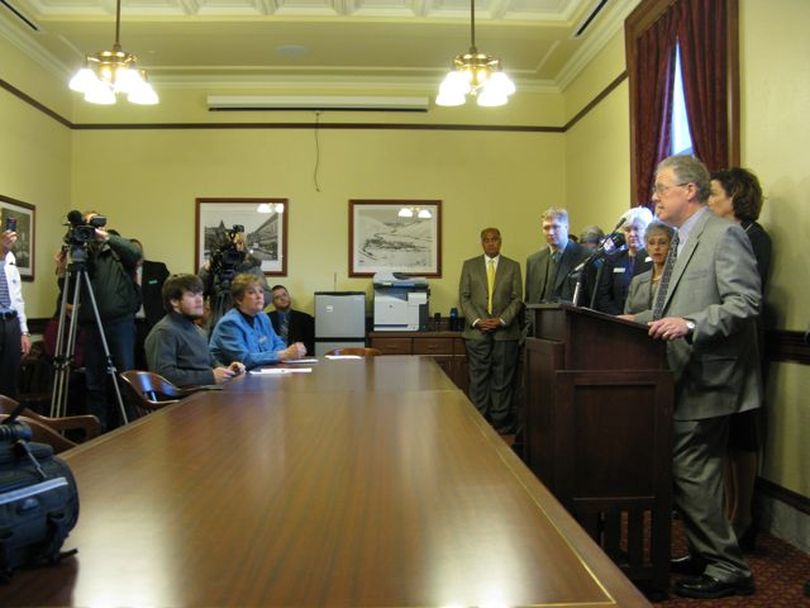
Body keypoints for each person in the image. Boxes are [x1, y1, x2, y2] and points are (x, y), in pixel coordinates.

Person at [628, 155, 760, 599]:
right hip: (683, 376)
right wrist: (629, 319)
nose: (654, 196)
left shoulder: (725, 236)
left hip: (711, 378)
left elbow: (744, 303)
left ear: (689, 190)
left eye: (661, 188)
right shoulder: (682, 240)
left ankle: (728, 566)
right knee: (689, 469)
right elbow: (669, 310)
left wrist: (691, 324)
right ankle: (708, 554)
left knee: (691, 469)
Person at [709, 167, 772, 551]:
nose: (710, 201)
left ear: (735, 198)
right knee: (730, 439)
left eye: (714, 194)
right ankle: (731, 512)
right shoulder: (724, 235)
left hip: (744, 347)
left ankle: (742, 515)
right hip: (723, 348)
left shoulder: (754, 237)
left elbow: (746, 296)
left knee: (744, 434)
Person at [78, 212, 142, 431]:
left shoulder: (116, 247)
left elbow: (136, 253)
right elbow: (71, 292)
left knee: (125, 380)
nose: (89, 227)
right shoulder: (80, 252)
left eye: (93, 222)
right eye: (85, 224)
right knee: (94, 383)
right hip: (91, 324)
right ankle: (96, 433)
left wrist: (104, 237)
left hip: (120, 322)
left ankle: (129, 429)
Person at [459, 228, 523, 434]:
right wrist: (477, 321)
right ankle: (478, 422)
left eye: (494, 239)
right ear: (481, 243)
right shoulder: (469, 266)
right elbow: (464, 297)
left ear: (500, 241)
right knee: (478, 379)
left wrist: (502, 320)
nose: (491, 243)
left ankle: (500, 422)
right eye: (486, 240)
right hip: (477, 333)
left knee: (502, 380)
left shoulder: (513, 266)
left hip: (505, 333)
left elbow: (517, 298)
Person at [145, 274, 244, 387]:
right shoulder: (164, 331)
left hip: (205, 393)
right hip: (183, 399)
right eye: (192, 295)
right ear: (174, 301)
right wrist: (210, 377)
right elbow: (163, 375)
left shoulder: (198, 330)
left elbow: (210, 362)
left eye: (201, 295)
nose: (200, 300)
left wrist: (229, 370)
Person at [209, 273, 305, 370]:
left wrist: (283, 353)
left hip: (262, 373)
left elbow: (278, 342)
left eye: (261, 292)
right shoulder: (229, 323)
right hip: (231, 380)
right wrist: (282, 355)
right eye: (252, 292)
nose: (259, 296)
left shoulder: (263, 317)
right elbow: (244, 359)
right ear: (239, 299)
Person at [199, 229, 271, 331]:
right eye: (231, 243)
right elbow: (198, 290)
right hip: (216, 323)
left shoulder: (252, 268)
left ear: (245, 246)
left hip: (245, 323)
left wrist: (246, 301)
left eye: (240, 243)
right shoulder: (215, 267)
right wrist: (207, 270)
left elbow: (267, 294)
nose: (235, 247)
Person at [592, 206, 653, 314]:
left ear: (647, 230)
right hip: (618, 322)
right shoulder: (613, 259)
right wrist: (620, 318)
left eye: (636, 229)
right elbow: (603, 296)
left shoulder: (655, 259)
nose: (632, 234)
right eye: (627, 230)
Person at [525, 207, 588, 304]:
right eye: (546, 228)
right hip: (539, 318)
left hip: (571, 318)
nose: (550, 232)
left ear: (566, 227)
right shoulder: (533, 261)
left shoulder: (585, 257)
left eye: (555, 227)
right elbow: (529, 301)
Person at [130, 239, 170, 370]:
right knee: (131, 363)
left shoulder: (157, 269)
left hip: (152, 324)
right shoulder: (120, 272)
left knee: (152, 362)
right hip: (129, 324)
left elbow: (170, 293)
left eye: (139, 251)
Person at [0, 229, 31, 398]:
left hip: (11, 322)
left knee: (10, 381)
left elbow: (18, 298)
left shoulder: (11, 258)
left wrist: (24, 332)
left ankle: (7, 422)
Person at [623, 221, 675, 315]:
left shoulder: (678, 278)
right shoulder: (636, 281)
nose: (656, 247)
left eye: (662, 243)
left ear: (672, 246)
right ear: (646, 247)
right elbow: (627, 315)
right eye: (651, 243)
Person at [267, 284, 315, 356]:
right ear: (273, 302)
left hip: (298, 358)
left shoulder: (305, 318)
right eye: (277, 297)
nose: (282, 298)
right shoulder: (266, 319)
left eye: (284, 295)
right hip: (274, 358)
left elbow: (311, 345)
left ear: (289, 297)